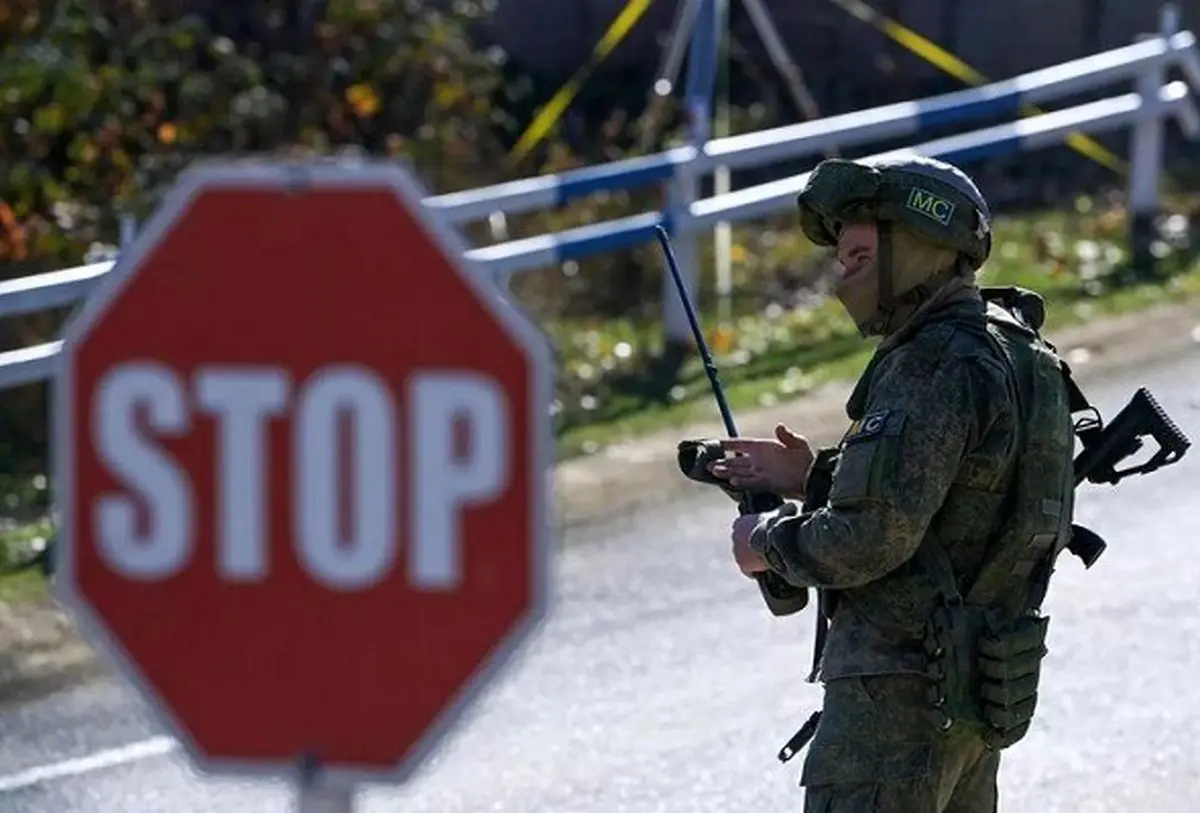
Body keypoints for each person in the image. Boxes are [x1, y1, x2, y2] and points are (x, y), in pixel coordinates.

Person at [707, 154, 1078, 812]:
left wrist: (764, 540)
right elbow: (965, 498)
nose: (841, 273)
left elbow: (871, 536)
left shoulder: (930, 361)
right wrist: (813, 474)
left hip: (893, 706)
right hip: (969, 696)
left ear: (915, 244)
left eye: (856, 252)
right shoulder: (1021, 354)